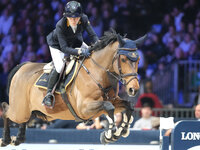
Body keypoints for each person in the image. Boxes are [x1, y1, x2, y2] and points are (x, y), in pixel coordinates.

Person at [42, 1, 99, 107]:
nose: (74, 20)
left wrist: (98, 44)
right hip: (58, 46)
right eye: (71, 18)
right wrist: (80, 51)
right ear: (66, 16)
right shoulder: (60, 25)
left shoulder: (84, 18)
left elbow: (93, 35)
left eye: (76, 18)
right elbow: (64, 48)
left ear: (80, 16)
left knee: (93, 56)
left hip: (75, 42)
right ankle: (49, 94)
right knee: (59, 68)